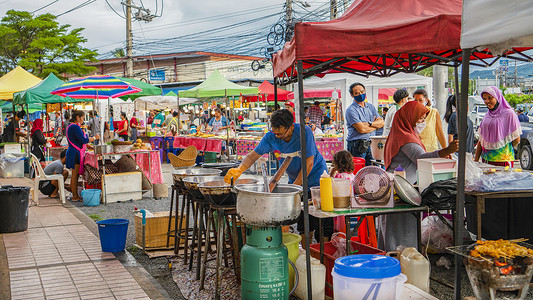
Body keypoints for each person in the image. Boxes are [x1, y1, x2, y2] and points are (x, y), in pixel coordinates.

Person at [224, 109, 331, 244]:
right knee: (304, 223)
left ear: (291, 126)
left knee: (323, 222)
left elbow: (308, 163)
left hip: (317, 179)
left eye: (281, 133)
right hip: (296, 181)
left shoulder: (304, 132)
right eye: (275, 133)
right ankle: (306, 255)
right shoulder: (271, 136)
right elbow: (252, 156)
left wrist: (293, 189)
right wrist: (239, 170)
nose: (278, 136)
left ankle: (323, 254)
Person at [381, 101, 458, 251]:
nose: (422, 122)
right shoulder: (405, 138)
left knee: (399, 228)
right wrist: (445, 151)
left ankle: (400, 256)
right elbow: (421, 157)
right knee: (402, 231)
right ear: (409, 117)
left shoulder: (402, 133)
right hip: (401, 191)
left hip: (400, 188)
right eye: (420, 118)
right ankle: (402, 257)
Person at [474, 86, 521, 167]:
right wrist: (476, 160)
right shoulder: (487, 116)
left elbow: (516, 139)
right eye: (484, 99)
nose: (487, 101)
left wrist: (502, 145)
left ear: (497, 97)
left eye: (490, 98)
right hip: (486, 160)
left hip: (503, 161)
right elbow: (481, 141)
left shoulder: (509, 114)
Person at [345, 82, 384, 165]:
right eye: (357, 93)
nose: (360, 94)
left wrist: (368, 124)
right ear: (352, 95)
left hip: (372, 143)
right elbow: (361, 129)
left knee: (373, 170)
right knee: (358, 170)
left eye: (362, 92)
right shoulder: (351, 110)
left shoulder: (370, 107)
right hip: (357, 145)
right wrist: (375, 125)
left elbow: (382, 123)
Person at [66, 110, 99, 202]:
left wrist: (86, 145)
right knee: (75, 176)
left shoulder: (70, 126)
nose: (83, 120)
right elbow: (83, 140)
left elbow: (78, 140)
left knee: (74, 175)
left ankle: (75, 195)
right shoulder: (75, 127)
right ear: (77, 117)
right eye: (82, 118)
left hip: (73, 151)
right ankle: (75, 196)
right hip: (75, 153)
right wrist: (94, 138)